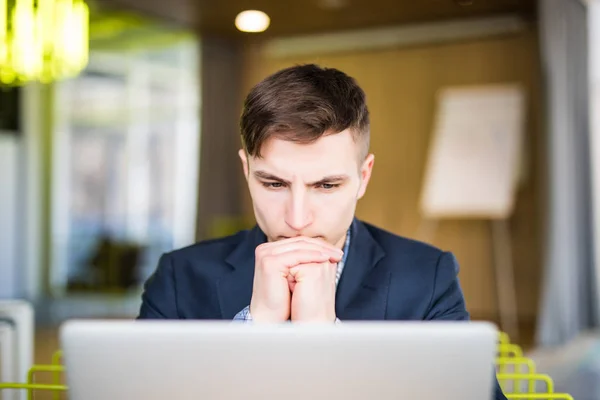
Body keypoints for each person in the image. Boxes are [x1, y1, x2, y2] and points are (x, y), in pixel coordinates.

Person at [137, 64, 507, 400]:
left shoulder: (428, 277)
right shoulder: (179, 277)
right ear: (246, 171)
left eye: (326, 186)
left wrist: (327, 340)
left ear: (363, 177)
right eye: (274, 184)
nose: (297, 219)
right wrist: (254, 328)